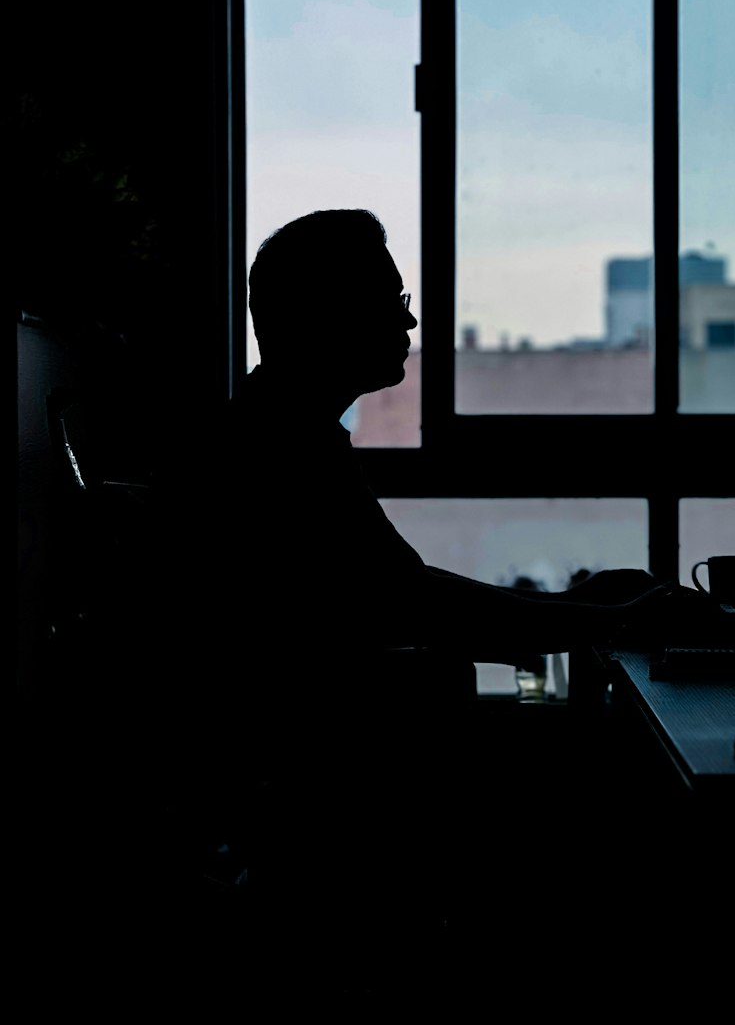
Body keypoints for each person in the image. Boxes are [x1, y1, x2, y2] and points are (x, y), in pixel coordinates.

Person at [194, 208, 676, 973]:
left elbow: (400, 591)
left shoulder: (274, 428)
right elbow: (413, 602)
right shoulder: (283, 449)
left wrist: (579, 609)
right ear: (330, 316)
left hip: (318, 780)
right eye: (391, 300)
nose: (410, 317)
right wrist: (595, 619)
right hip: (336, 800)